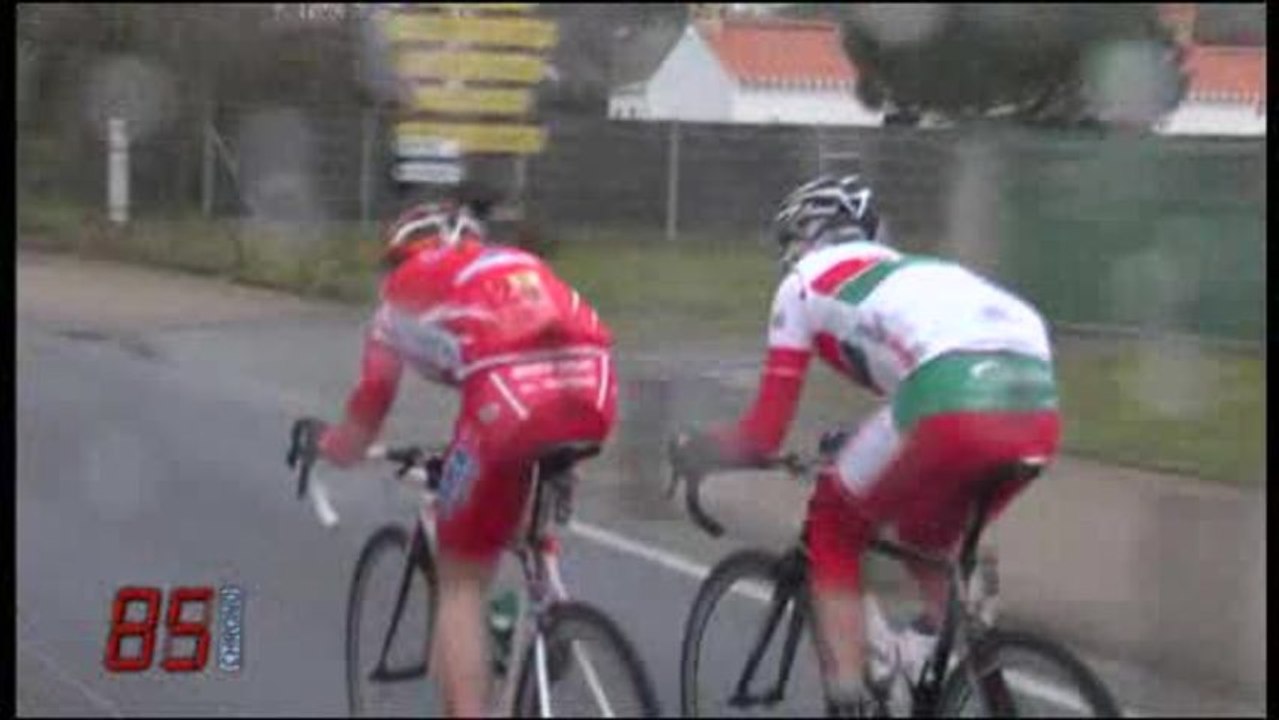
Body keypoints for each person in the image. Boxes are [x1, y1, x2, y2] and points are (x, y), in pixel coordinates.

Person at [669, 174, 1061, 715]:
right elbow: (912, 383)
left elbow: (763, 433)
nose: (787, 258)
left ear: (806, 237)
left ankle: (852, 694)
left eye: (789, 245)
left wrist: (701, 448)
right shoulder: (917, 274)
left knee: (833, 523)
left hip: (946, 400)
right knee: (927, 531)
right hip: (1037, 401)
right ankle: (973, 657)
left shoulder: (804, 284)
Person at [317, 184, 617, 716]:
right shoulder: (508, 264)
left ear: (398, 258)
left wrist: (335, 448)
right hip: (593, 382)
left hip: (506, 400)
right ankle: (543, 595)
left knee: (460, 576)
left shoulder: (399, 298)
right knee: (518, 491)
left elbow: (371, 401)